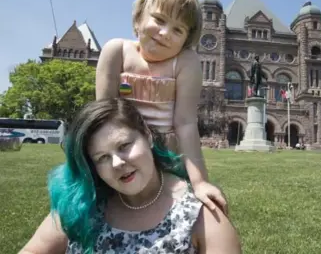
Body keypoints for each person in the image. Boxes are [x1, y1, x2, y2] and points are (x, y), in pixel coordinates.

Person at [19, 98, 242, 254]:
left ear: (148, 136)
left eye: (124, 145)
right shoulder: (81, 203)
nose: (117, 163)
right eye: (102, 158)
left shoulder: (203, 216)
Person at [95, 0, 228, 215]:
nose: (165, 32)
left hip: (163, 157)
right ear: (138, 18)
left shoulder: (186, 62)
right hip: (119, 150)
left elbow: (185, 123)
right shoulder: (115, 50)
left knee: (174, 211)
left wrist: (199, 181)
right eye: (159, 19)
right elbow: (103, 115)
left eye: (178, 30)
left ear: (186, 42)